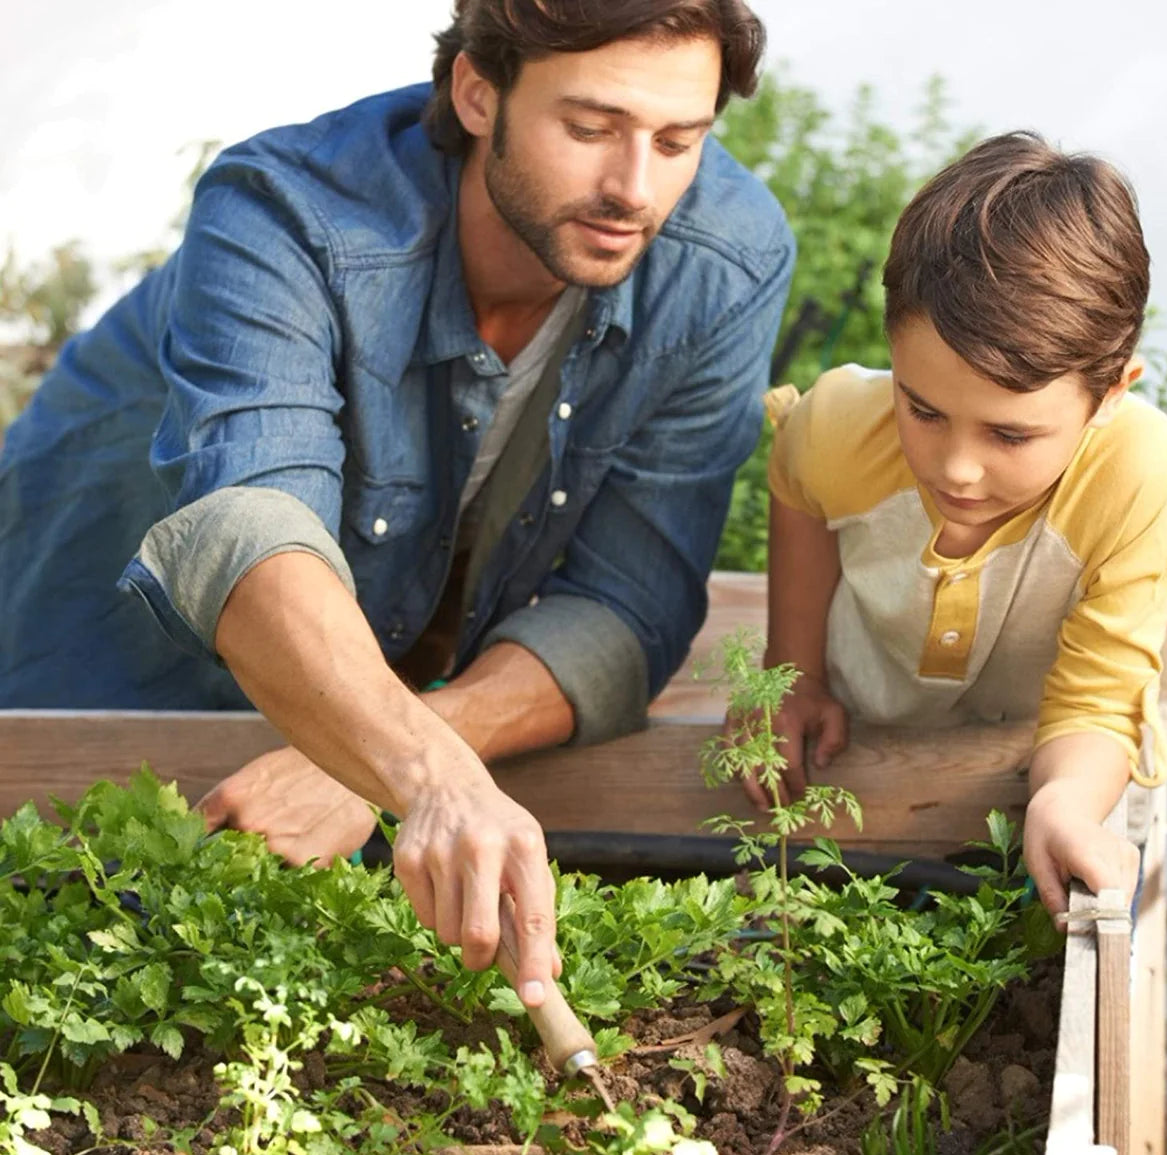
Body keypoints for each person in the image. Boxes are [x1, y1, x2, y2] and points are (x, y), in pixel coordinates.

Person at [0, 0, 794, 1006]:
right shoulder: (285, 212)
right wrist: (421, 774)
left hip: (384, 673)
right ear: (476, 91)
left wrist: (398, 751)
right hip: (110, 610)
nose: (635, 189)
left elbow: (632, 601)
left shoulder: (724, 256)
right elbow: (250, 527)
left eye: (679, 140)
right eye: (590, 129)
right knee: (72, 918)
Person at [750, 132, 1167, 918]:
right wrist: (795, 672)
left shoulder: (1140, 475)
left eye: (1010, 435)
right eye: (922, 409)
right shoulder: (837, 429)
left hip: (1057, 748)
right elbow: (796, 481)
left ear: (1110, 393)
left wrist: (1061, 803)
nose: (957, 467)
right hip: (868, 724)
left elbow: (1097, 703)